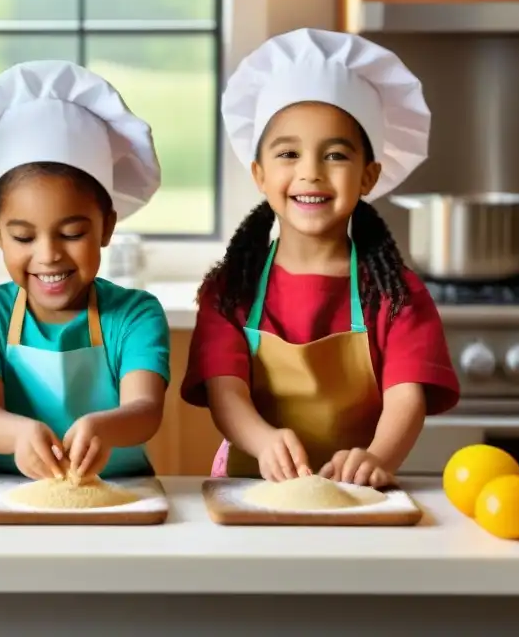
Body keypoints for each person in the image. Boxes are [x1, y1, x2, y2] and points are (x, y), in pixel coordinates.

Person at [181, 28, 459, 487]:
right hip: (252, 489)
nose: (310, 173)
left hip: (358, 493)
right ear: (260, 174)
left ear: (369, 175)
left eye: (335, 155)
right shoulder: (231, 289)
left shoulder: (396, 294)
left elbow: (406, 397)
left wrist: (378, 458)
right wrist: (264, 440)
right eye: (288, 153)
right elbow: (224, 390)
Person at [0, 60, 170, 482]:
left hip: (120, 495)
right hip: (4, 495)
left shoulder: (136, 315)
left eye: (71, 233)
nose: (48, 256)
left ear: (107, 227)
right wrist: (19, 433)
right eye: (23, 237)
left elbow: (145, 410)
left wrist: (104, 426)